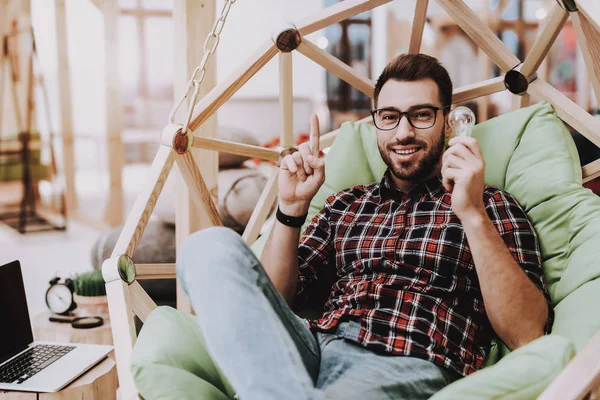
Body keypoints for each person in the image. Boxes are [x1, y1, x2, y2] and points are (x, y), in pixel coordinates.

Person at [176, 53, 553, 400]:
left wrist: (470, 212)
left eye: (421, 115)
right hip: (314, 346)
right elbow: (275, 300)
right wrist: (291, 209)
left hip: (407, 357)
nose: (402, 132)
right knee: (207, 247)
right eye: (389, 117)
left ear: (448, 121)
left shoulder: (490, 204)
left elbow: (527, 332)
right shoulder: (346, 204)